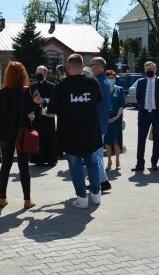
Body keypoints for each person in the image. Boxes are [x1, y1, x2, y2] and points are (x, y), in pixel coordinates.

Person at [47, 53, 104, 208]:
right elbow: (99, 98)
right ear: (82, 65)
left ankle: (82, 198)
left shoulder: (61, 85)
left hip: (71, 132)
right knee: (93, 162)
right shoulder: (92, 81)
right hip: (91, 130)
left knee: (75, 163)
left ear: (69, 67)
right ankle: (96, 195)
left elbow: (52, 108)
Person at [0, 61, 36, 209]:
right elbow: (30, 115)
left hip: (5, 133)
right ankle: (27, 200)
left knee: (6, 165)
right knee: (24, 167)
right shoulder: (25, 91)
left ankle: (2, 198)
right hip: (22, 134)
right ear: (22, 74)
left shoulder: (2, 92)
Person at [132, 61, 159, 171]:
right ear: (144, 71)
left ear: (155, 69)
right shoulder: (141, 82)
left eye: (151, 68)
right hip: (144, 114)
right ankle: (140, 164)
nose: (149, 71)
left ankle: (154, 163)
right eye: (147, 69)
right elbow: (138, 97)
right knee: (141, 139)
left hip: (157, 114)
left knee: (157, 139)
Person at [90, 57, 112, 191]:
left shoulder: (99, 81)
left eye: (92, 65)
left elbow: (97, 104)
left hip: (97, 123)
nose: (91, 67)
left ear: (100, 66)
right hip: (101, 123)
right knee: (97, 155)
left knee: (95, 155)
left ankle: (103, 182)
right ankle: (101, 181)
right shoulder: (103, 81)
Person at [29, 65, 57, 166]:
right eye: (37, 73)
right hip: (36, 116)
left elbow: (55, 101)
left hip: (47, 115)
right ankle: (37, 159)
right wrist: (33, 101)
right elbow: (28, 101)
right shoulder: (32, 86)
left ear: (45, 74)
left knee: (48, 137)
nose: (38, 75)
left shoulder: (52, 86)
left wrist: (44, 100)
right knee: (37, 137)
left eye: (40, 73)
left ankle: (50, 159)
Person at [103, 70, 126, 170]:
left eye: (113, 78)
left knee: (116, 141)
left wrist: (116, 117)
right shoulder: (103, 89)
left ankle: (117, 160)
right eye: (109, 78)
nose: (111, 79)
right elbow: (100, 105)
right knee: (107, 142)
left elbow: (122, 105)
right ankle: (109, 161)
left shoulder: (120, 89)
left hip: (116, 119)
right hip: (106, 120)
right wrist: (106, 118)